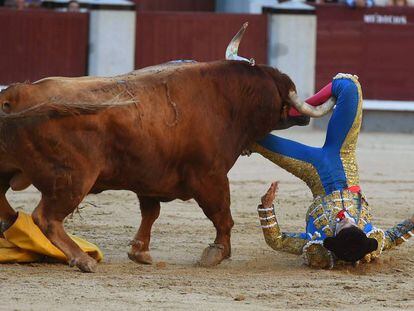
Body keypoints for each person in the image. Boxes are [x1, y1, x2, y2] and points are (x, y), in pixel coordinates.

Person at [250, 73, 414, 268]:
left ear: (333, 240)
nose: (345, 219)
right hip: (343, 155)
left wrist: (267, 207)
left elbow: (278, 241)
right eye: (353, 224)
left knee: (250, 137)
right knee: (349, 86)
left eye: (342, 226)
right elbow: (395, 236)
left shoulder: (318, 243)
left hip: (314, 171)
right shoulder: (371, 238)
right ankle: (298, 112)